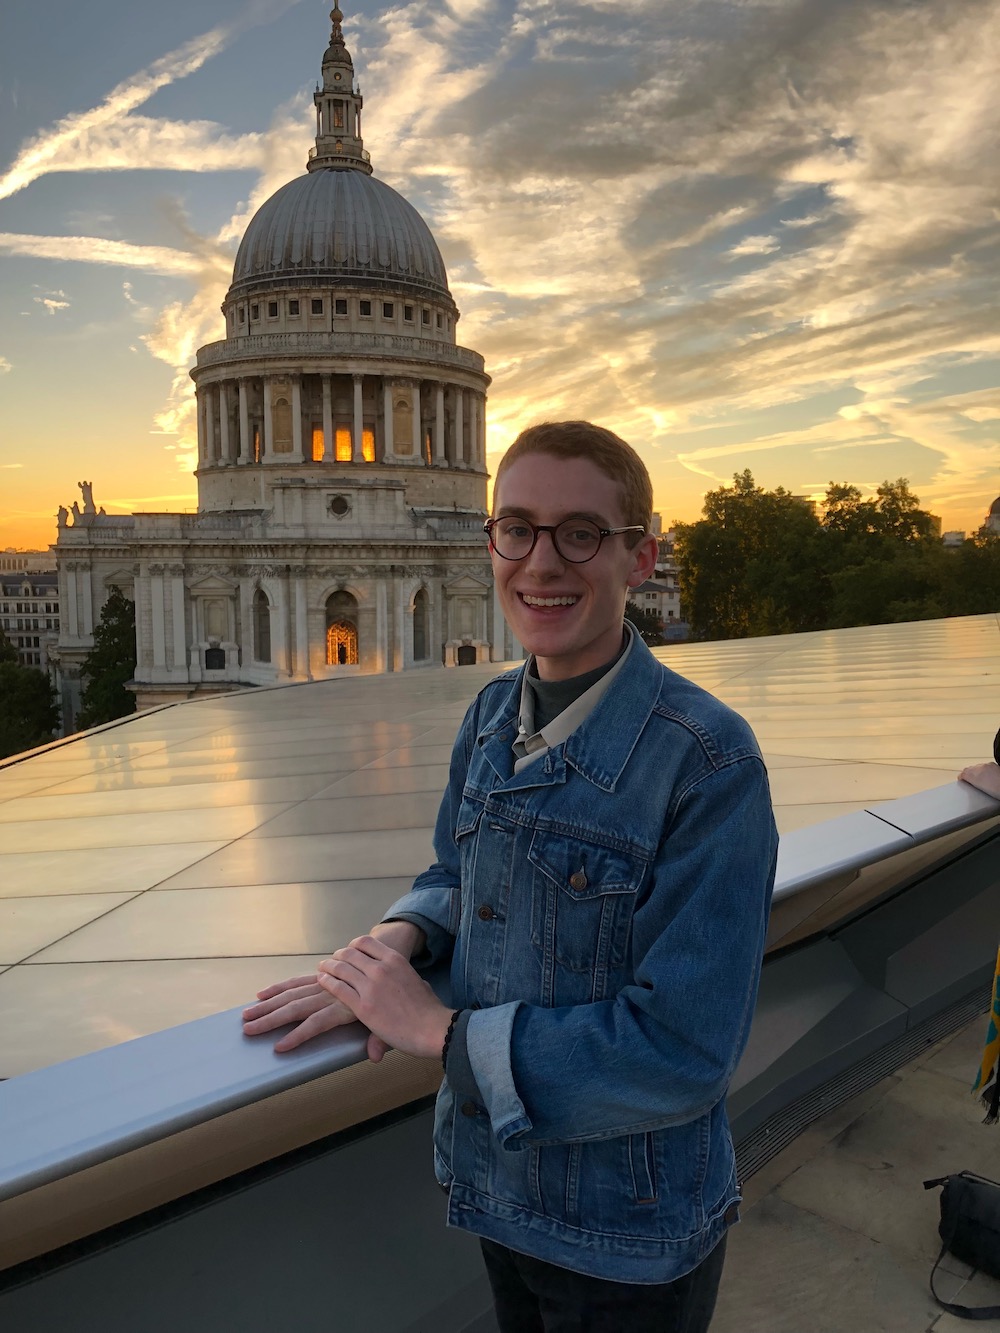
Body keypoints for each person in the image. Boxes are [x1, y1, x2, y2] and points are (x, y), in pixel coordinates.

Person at [243, 421, 778, 1331]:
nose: (542, 562)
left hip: (627, 1232)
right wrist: (390, 948)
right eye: (517, 528)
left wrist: (441, 1033)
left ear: (640, 557)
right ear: (489, 539)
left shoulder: (709, 761)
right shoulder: (494, 708)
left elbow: (687, 1050)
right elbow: (459, 866)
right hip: (495, 1185)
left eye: (580, 534)